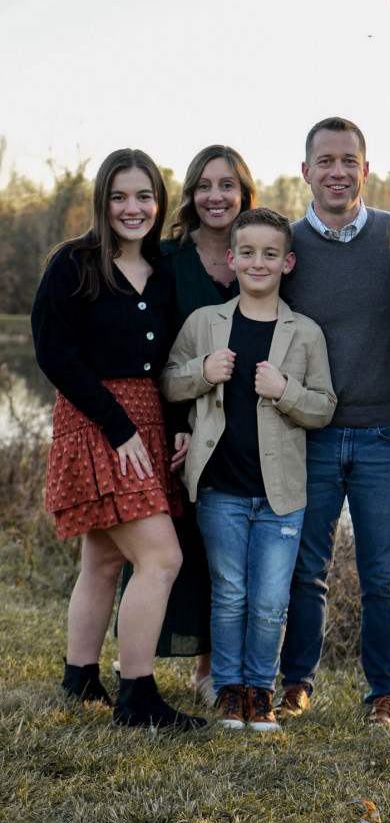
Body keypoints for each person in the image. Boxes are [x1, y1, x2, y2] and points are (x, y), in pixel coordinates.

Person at [31, 149, 206, 730]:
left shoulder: (159, 273)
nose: (133, 208)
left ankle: (80, 677)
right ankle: (138, 696)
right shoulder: (74, 264)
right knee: (161, 557)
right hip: (97, 424)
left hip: (147, 425)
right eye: (120, 197)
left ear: (159, 202)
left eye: (145, 197)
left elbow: (165, 366)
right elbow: (56, 354)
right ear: (103, 201)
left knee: (105, 557)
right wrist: (117, 424)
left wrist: (176, 427)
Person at [160, 207, 336, 730]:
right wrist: (201, 370)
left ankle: (261, 690)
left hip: (282, 493)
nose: (258, 263)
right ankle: (228, 690)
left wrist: (286, 392)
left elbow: (323, 407)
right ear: (232, 258)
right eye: (248, 253)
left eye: (270, 254)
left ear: (288, 262)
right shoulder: (205, 324)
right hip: (220, 490)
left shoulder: (304, 333)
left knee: (269, 600)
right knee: (230, 591)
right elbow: (169, 382)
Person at [277, 117, 390, 725]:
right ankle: (295, 683)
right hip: (310, 433)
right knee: (304, 568)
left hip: (388, 428)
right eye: (325, 161)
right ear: (305, 171)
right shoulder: (284, 246)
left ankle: (384, 693)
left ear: (366, 167)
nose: (338, 171)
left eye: (348, 160)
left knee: (382, 572)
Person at [117, 145, 258, 705]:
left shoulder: (262, 253)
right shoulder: (170, 261)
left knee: (232, 550)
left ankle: (210, 671)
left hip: (248, 425)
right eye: (204, 185)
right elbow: (151, 351)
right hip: (180, 427)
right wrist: (173, 422)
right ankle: (138, 673)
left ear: (245, 193)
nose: (215, 196)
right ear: (190, 195)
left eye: (227, 185)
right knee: (179, 545)